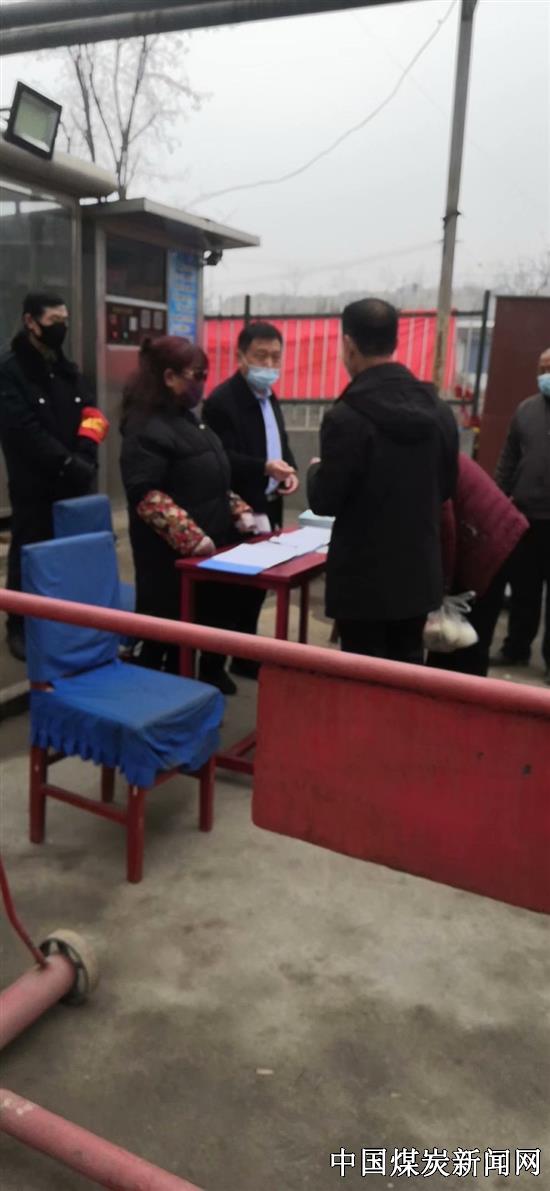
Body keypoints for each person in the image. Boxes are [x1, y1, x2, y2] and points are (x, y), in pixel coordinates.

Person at [307, 298, 458, 665]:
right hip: (417, 577)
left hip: (363, 585)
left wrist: (315, 471)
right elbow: (447, 487)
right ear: (395, 341)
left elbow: (326, 500)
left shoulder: (346, 417)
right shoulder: (439, 410)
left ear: (349, 345)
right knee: (407, 676)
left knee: (363, 680)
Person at [120, 336, 252, 694]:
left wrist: (239, 510)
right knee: (166, 639)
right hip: (169, 561)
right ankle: (160, 702)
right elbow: (146, 495)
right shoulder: (145, 427)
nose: (203, 383)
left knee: (207, 622)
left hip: (208, 553)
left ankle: (200, 686)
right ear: (169, 377)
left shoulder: (189, 420)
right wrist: (191, 538)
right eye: (198, 375)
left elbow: (211, 478)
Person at [0, 291, 109, 661]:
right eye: (53, 321)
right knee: (29, 552)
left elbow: (92, 413)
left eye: (64, 320)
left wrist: (86, 453)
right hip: (34, 484)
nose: (61, 327)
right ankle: (18, 624)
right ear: (31, 322)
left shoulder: (66, 368)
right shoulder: (10, 370)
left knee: (68, 555)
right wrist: (66, 463)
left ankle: (62, 621)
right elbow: (22, 430)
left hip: (74, 480)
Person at [203, 321, 298, 678]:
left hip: (268, 504)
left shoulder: (270, 397)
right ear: (241, 356)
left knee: (256, 588)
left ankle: (244, 656)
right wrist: (264, 468)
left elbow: (280, 442)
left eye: (275, 357)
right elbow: (221, 457)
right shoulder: (222, 402)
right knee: (227, 592)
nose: (269, 364)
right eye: (261, 356)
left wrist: (289, 470)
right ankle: (212, 666)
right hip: (236, 508)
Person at [426, 453, 528, 676]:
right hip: (490, 534)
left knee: (471, 638)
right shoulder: (435, 451)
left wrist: (443, 589)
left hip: (492, 542)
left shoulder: (428, 462)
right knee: (454, 637)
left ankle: (466, 690)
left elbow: (446, 531)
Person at [492, 346, 550, 684]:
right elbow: (508, 458)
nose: (545, 376)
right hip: (526, 518)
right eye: (541, 369)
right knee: (524, 590)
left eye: (549, 368)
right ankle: (516, 648)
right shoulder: (526, 410)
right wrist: (499, 499)